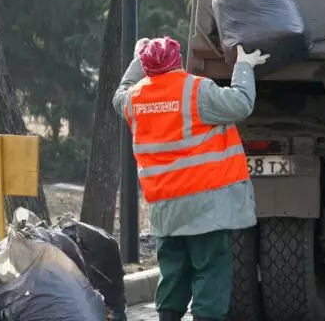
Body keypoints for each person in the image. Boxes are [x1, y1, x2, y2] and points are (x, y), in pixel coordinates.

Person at [113, 36, 270, 321]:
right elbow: (241, 104)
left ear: (147, 67)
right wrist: (244, 66)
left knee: (173, 272)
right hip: (206, 206)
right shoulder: (195, 90)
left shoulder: (135, 99)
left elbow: (119, 94)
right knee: (211, 272)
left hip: (166, 208)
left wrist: (138, 59)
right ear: (178, 61)